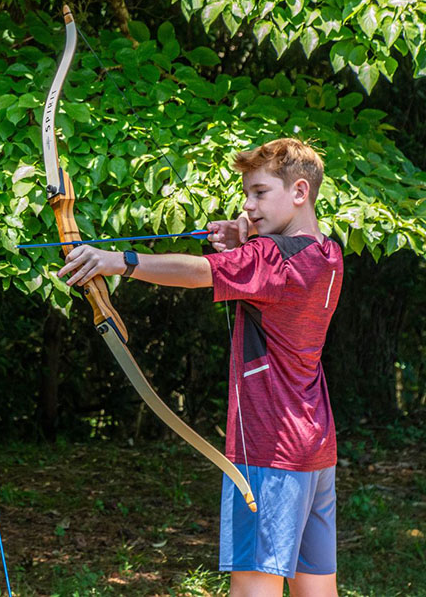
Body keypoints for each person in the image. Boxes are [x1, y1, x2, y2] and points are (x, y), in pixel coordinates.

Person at [58, 139, 342, 597]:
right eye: (246, 194)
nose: (248, 206)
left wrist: (117, 261)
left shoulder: (271, 258)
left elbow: (199, 271)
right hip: (315, 448)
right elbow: (275, 269)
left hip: (268, 451)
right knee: (318, 590)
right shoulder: (327, 254)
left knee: (254, 588)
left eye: (260, 192)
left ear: (299, 191)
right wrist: (246, 244)